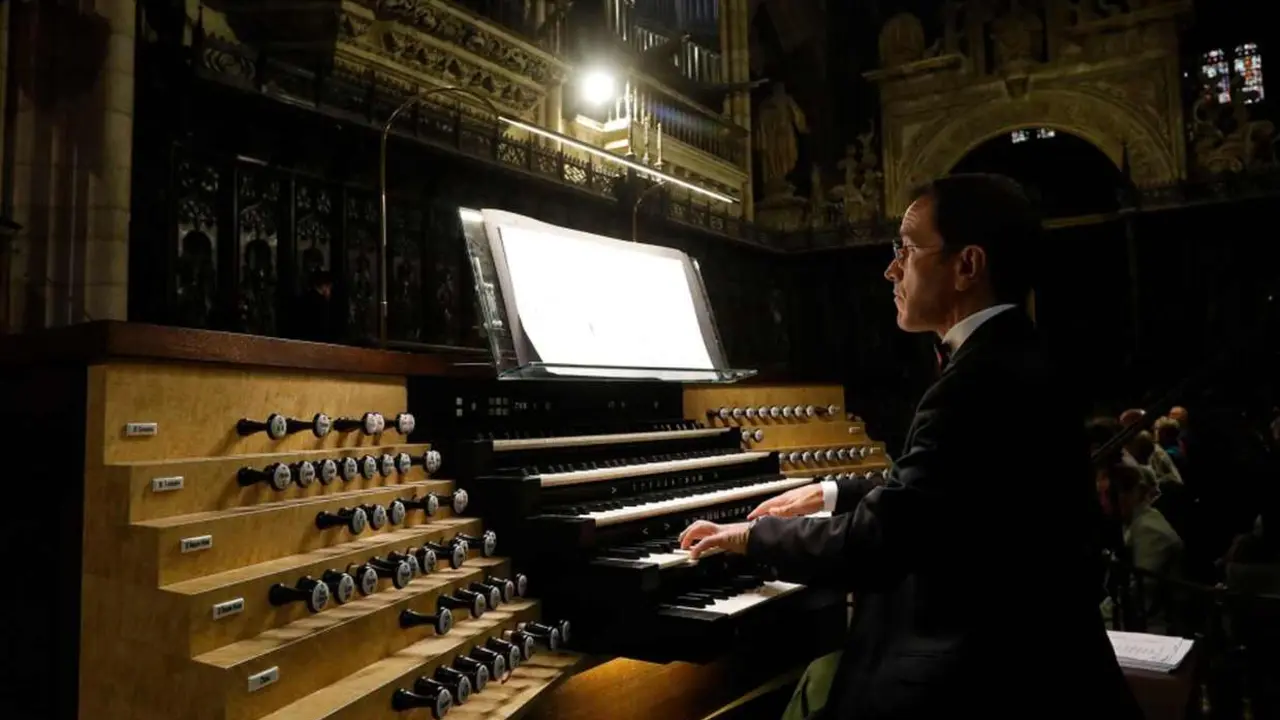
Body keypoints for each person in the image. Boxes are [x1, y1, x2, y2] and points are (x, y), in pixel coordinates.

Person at [679, 174, 1141, 718]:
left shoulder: (979, 381)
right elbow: (950, 488)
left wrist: (752, 536)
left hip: (986, 676)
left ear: (967, 265)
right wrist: (831, 492)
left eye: (906, 249)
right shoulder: (1014, 354)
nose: (891, 269)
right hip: (1031, 654)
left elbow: (882, 538)